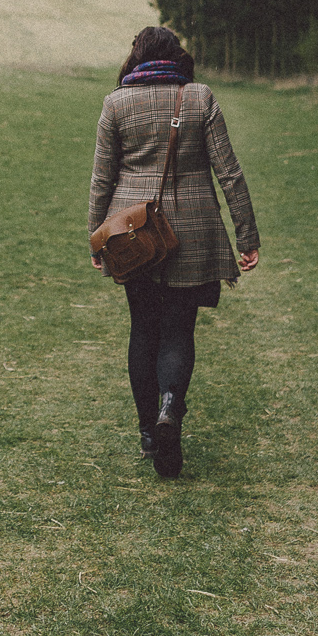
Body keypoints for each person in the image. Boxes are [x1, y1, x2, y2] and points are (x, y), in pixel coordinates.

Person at [88, 26, 259, 479]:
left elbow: (102, 180)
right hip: (194, 230)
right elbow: (230, 173)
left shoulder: (116, 103)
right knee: (179, 329)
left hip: (132, 234)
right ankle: (169, 410)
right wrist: (247, 236)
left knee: (143, 327)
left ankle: (149, 433)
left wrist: (96, 237)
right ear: (176, 54)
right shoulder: (199, 97)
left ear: (136, 57)